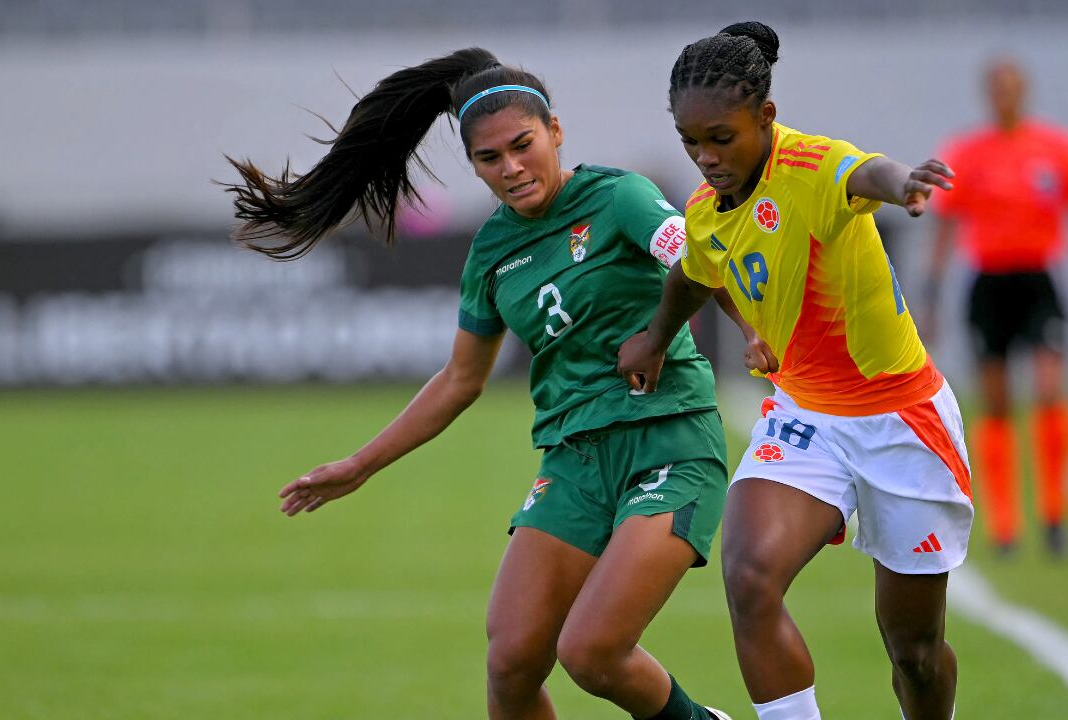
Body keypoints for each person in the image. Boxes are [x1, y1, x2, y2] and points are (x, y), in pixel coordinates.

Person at [223, 49, 740, 720]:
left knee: (593, 652)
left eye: (523, 145)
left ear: (554, 131)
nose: (511, 168)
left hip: (668, 441)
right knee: (511, 662)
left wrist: (753, 331)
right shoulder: (493, 249)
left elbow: (704, 259)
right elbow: (461, 379)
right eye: (489, 159)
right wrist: (360, 465)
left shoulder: (620, 197)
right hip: (576, 461)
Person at [618, 22, 972, 720]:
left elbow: (867, 172)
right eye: (691, 142)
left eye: (721, 138)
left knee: (914, 650)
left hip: (903, 422)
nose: (706, 157)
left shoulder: (813, 167)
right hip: (806, 415)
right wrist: (655, 338)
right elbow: (693, 273)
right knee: (749, 576)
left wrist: (905, 184)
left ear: (765, 117)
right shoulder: (704, 211)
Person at [926, 57, 1068, 557]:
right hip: (988, 284)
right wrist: (931, 292)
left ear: (1024, 92)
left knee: (1050, 389)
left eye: (1013, 88)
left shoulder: (1057, 149)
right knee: (996, 401)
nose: (1005, 96)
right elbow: (944, 227)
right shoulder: (968, 153)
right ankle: (1004, 525)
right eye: (997, 89)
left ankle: (1055, 515)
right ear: (989, 94)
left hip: (1039, 282)